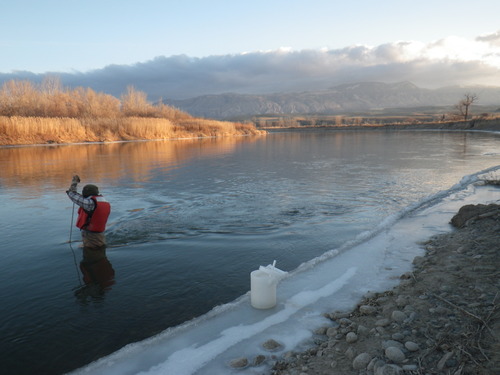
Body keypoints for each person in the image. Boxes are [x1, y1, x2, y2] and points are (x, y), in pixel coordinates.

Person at [66, 175, 111, 248]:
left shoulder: (90, 203)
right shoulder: (102, 200)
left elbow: (72, 195)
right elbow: (80, 198)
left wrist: (74, 183)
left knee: (93, 254)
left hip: (92, 237)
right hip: (99, 234)